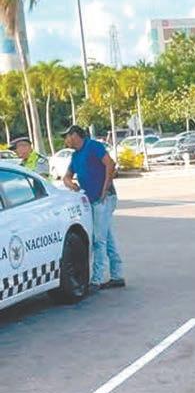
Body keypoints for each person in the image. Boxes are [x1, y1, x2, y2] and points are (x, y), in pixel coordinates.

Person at [61, 125, 125, 291]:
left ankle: (97, 279)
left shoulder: (93, 146)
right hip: (92, 200)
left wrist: (105, 187)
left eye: (67, 137)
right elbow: (66, 176)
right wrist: (71, 184)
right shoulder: (75, 155)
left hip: (103, 199)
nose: (65, 141)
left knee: (99, 239)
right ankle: (117, 275)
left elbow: (110, 164)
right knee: (107, 236)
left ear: (75, 135)